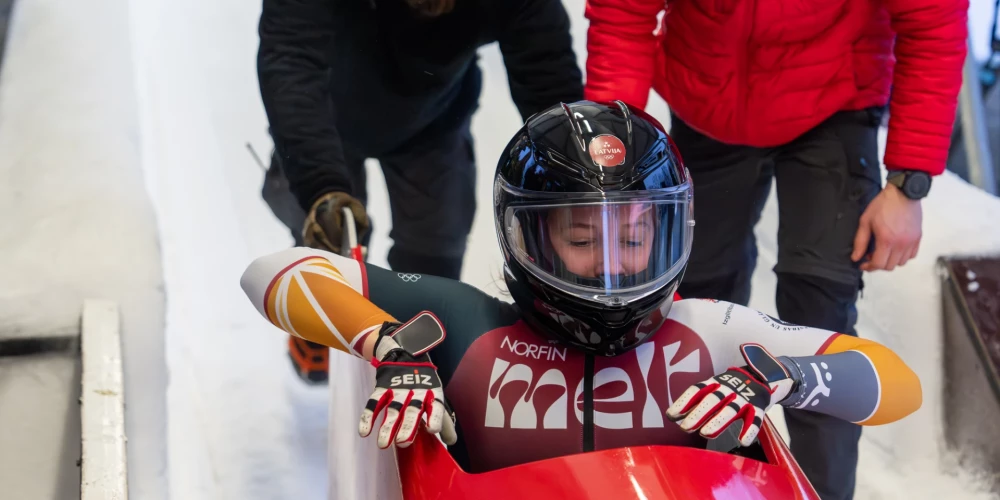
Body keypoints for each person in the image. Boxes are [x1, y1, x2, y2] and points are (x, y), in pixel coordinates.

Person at [239, 100, 922, 475]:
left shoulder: (707, 332)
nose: (612, 266)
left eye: (632, 238)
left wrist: (789, 379)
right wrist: (386, 343)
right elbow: (275, 271)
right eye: (580, 239)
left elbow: (896, 383)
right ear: (528, 240)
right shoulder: (465, 327)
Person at [582, 1, 967, 498]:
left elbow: (934, 24)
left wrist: (909, 181)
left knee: (821, 318)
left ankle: (822, 492)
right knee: (690, 312)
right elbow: (622, 13)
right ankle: (699, 482)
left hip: (833, 104)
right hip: (708, 103)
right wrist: (613, 159)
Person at [255, 0, 583, 382]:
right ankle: (323, 309)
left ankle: (423, 360)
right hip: (325, 111)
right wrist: (319, 185)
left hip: (433, 121)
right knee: (328, 235)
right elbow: (290, 59)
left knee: (434, 259)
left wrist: (573, 176)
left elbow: (545, 68)